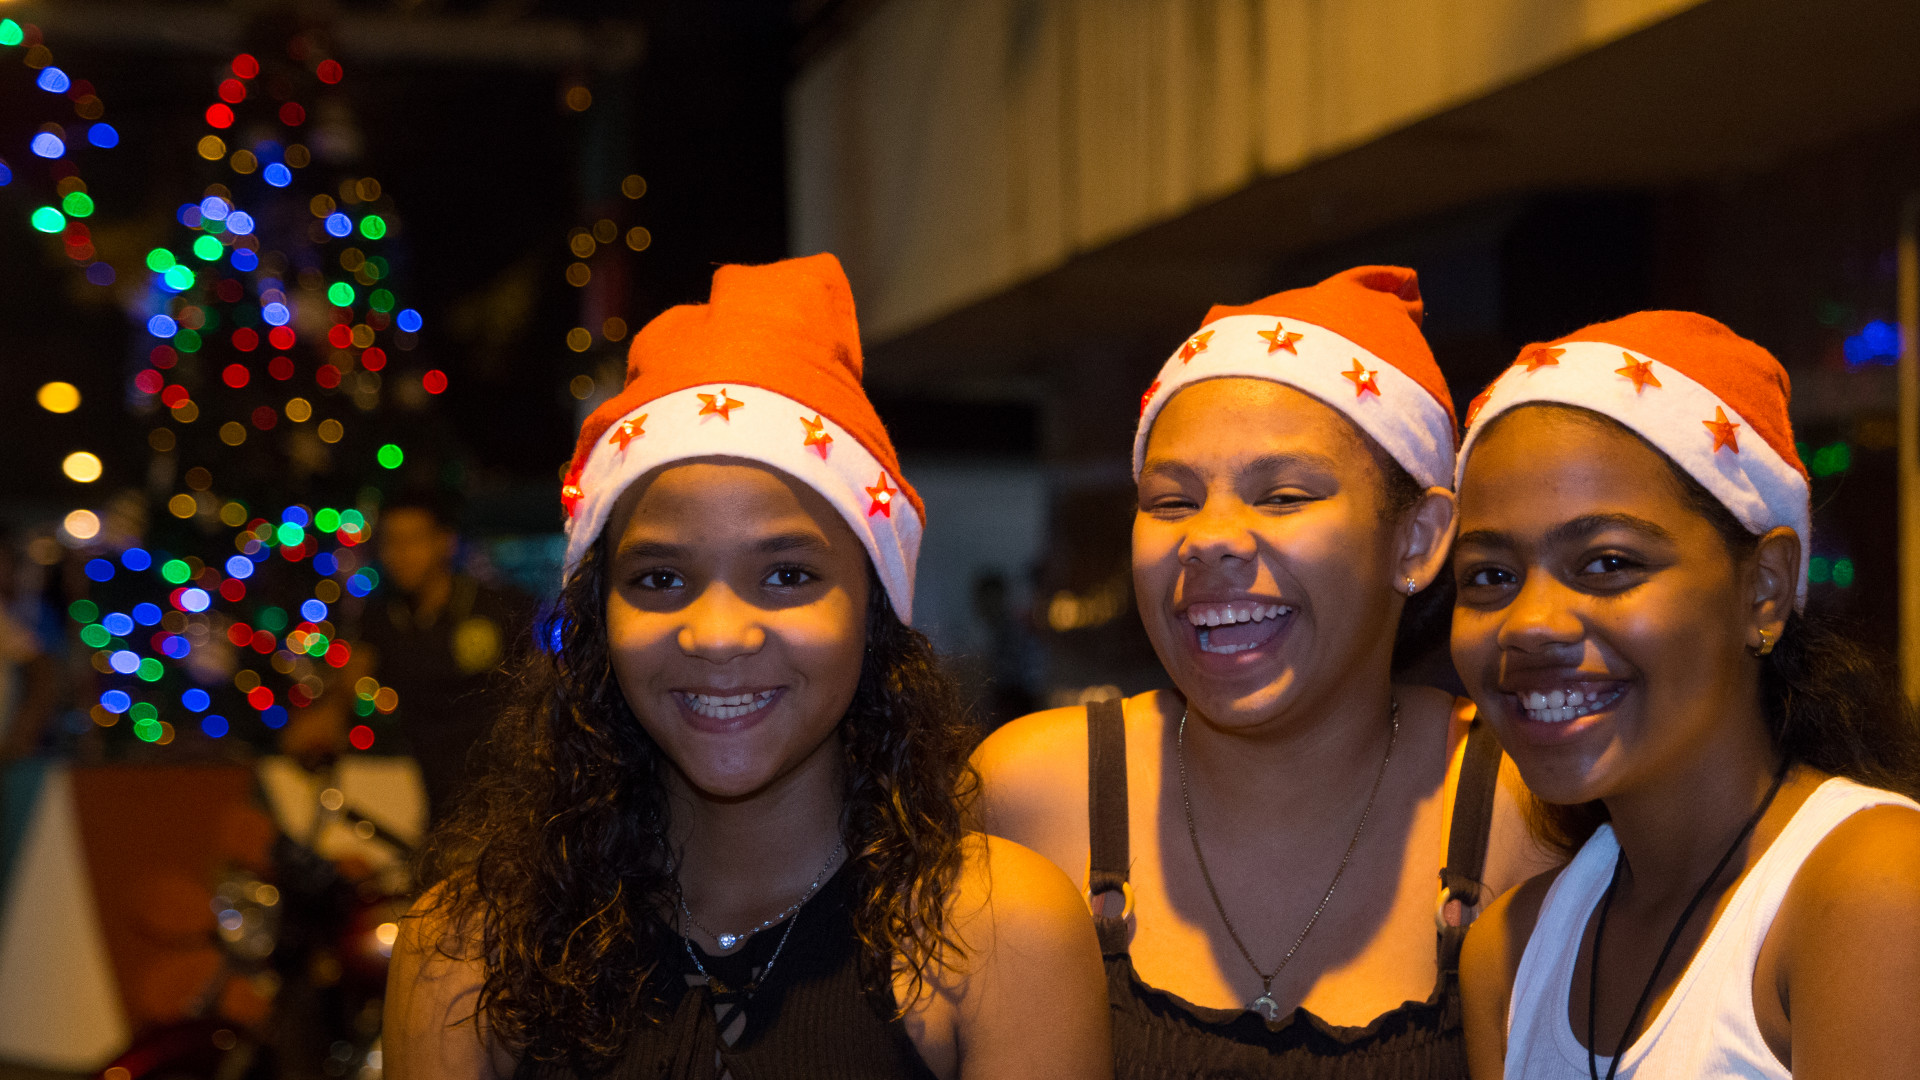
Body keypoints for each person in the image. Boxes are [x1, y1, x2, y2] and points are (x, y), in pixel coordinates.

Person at [385, 254, 1109, 1079]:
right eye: (660, 579)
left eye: (788, 575)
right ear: (598, 617)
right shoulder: (463, 953)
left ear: (874, 609)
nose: (719, 634)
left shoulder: (1002, 937)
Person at [972, 267, 1556, 1077]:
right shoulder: (1032, 793)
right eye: (1171, 502)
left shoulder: (1526, 810)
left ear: (1418, 540)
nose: (1209, 539)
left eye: (1282, 496)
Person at [1451, 312, 1920, 1078]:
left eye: (1607, 563)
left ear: (1764, 589)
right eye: (1490, 576)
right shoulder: (1513, 951)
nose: (1529, 625)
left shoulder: (1869, 887)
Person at [285, 490, 531, 820]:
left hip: (504, 789)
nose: (400, 554)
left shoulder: (495, 608)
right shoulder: (383, 619)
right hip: (430, 790)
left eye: (413, 540)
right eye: (391, 542)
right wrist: (324, 717)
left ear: (445, 542)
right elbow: (349, 682)